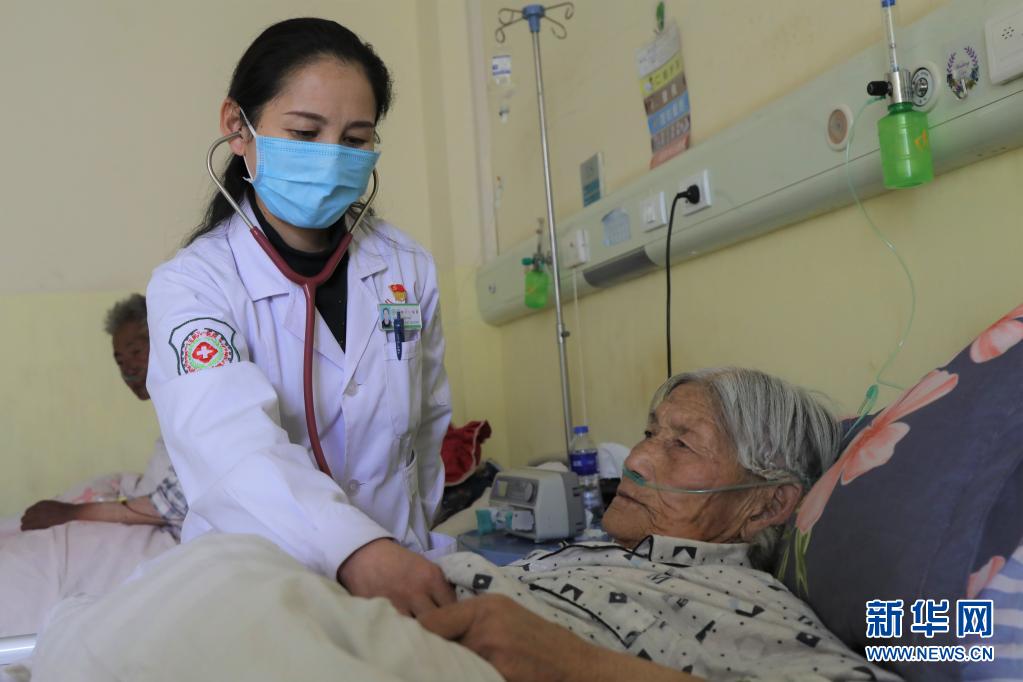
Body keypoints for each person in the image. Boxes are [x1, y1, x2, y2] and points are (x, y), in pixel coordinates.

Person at [23, 368, 896, 682]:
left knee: (222, 589)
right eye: (649, 431)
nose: (637, 456)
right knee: (211, 579)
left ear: (767, 503)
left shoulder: (754, 606)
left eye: (681, 444)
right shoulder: (599, 552)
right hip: (405, 629)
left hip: (464, 665)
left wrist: (578, 668)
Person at [144, 18, 453, 618]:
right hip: (258, 598)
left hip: (401, 577)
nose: (331, 157)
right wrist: (358, 550)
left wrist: (407, 547)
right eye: (306, 133)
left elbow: (426, 429)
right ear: (238, 127)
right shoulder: (194, 285)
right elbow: (231, 448)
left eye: (355, 139)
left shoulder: (406, 266)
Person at [0, 294, 185, 638]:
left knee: (49, 549)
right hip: (150, 522)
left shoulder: (194, 408)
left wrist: (74, 513)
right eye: (119, 360)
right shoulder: (173, 414)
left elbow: (171, 506)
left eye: (136, 351)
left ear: (164, 341)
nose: (128, 368)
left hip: (171, 541)